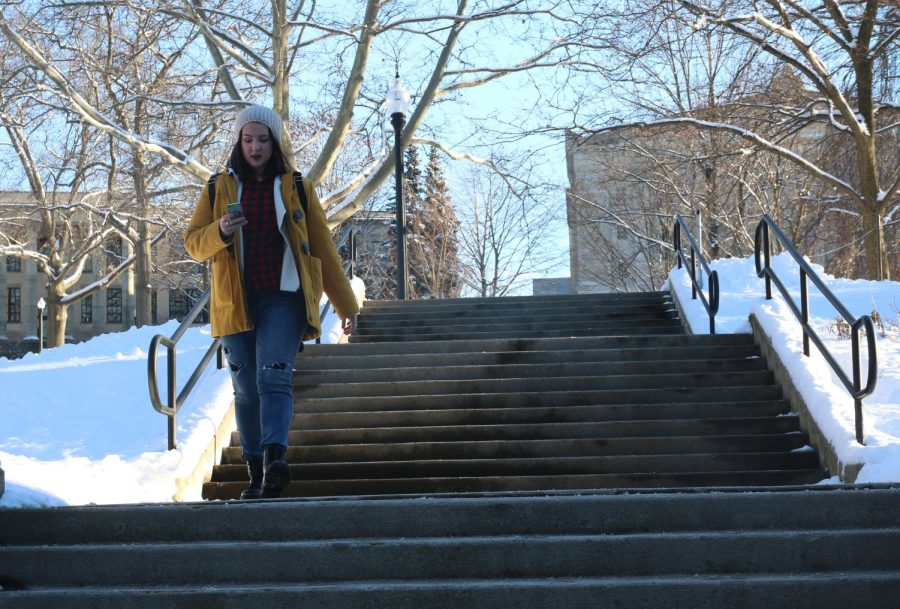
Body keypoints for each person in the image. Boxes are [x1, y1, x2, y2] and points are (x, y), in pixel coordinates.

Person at [184, 105, 359, 499]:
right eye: (249, 140)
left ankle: (275, 457)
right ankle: (255, 472)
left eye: (264, 140)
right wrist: (221, 230)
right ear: (238, 142)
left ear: (275, 143)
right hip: (235, 302)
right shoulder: (217, 188)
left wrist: (346, 305)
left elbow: (324, 250)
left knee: (273, 376)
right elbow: (193, 242)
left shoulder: (296, 186)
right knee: (245, 389)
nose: (256, 147)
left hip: (285, 297)